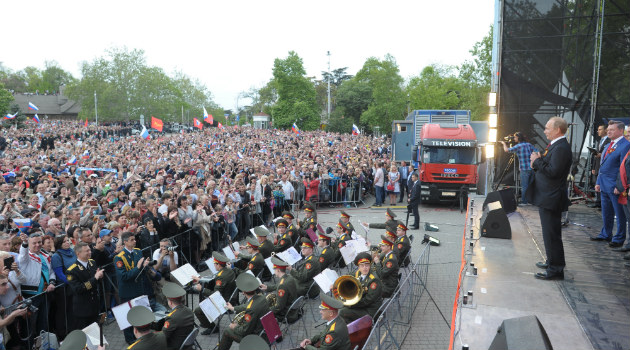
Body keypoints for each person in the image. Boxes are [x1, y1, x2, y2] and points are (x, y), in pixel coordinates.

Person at [526, 116, 573, 280]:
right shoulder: (556, 146)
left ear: (557, 129)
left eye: (547, 128)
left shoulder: (561, 148)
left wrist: (537, 161)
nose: (545, 131)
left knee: (552, 234)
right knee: (549, 234)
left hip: (551, 197)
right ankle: (552, 261)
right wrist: (540, 159)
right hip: (547, 196)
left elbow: (554, 171)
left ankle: (555, 269)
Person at [114, 232, 164, 344]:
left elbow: (143, 270)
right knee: (128, 321)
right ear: (125, 242)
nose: (134, 241)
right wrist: (138, 267)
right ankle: (131, 342)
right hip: (128, 293)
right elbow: (124, 276)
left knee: (141, 317)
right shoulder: (119, 258)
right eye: (131, 240)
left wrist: (148, 269)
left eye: (134, 239)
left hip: (140, 291)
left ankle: (143, 339)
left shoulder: (138, 251)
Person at [592, 120, 630, 247]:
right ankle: (606, 234)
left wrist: (620, 186)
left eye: (612, 130)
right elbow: (602, 165)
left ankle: (619, 238)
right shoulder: (609, 145)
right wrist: (598, 182)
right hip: (604, 183)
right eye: (608, 129)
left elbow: (623, 167)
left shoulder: (625, 145)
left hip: (615, 185)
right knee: (606, 211)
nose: (608, 131)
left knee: (619, 214)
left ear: (620, 131)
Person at [18, 232, 56, 338]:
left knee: (43, 322)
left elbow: (51, 271)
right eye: (34, 243)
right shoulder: (26, 257)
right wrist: (24, 243)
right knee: (30, 326)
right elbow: (23, 255)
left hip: (45, 294)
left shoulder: (45, 254)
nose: (37, 245)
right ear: (29, 244)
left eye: (39, 242)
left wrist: (52, 282)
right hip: (31, 296)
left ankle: (42, 345)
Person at [219, 273, 270, 350]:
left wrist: (234, 327)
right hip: (264, 330)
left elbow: (245, 331)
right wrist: (233, 308)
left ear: (243, 292)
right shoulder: (262, 297)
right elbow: (247, 306)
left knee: (227, 331)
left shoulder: (251, 309)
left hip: (255, 336)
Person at [192, 252, 236, 335]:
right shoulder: (228, 271)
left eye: (214, 264)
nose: (214, 266)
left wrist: (202, 289)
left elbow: (215, 294)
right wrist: (200, 279)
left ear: (218, 265)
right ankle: (206, 319)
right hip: (230, 297)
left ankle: (211, 327)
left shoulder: (221, 276)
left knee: (197, 310)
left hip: (224, 301)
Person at [66, 241, 104, 330]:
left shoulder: (92, 263)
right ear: (78, 253)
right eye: (86, 251)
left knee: (96, 332)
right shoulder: (72, 270)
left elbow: (97, 281)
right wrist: (95, 278)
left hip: (94, 305)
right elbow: (78, 289)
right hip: (82, 308)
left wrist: (100, 277)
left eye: (89, 250)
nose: (90, 252)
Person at [339, 252, 383, 324]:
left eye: (367, 265)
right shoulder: (357, 273)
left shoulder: (374, 280)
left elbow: (367, 300)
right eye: (362, 265)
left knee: (343, 311)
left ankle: (351, 331)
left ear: (370, 265)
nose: (364, 268)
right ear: (358, 267)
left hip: (370, 310)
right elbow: (347, 277)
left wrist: (351, 304)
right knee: (343, 307)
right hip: (362, 305)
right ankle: (349, 328)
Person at [501, 132, 537, 205]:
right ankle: (531, 201)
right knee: (531, 186)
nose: (514, 139)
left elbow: (507, 150)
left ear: (518, 138)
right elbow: (537, 152)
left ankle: (524, 202)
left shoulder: (518, 146)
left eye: (515, 137)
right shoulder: (529, 144)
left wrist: (503, 144)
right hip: (532, 168)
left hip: (524, 169)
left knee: (524, 186)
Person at [260, 256, 298, 323]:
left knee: (262, 313)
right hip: (292, 305)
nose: (274, 271)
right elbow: (278, 285)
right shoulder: (289, 277)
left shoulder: (282, 285)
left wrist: (266, 310)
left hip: (287, 312)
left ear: (278, 270)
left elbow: (279, 307)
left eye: (274, 269)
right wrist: (267, 287)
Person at [161, 282, 195, 350]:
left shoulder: (172, 317)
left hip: (175, 346)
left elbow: (163, 337)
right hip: (186, 343)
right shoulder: (189, 311)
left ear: (170, 302)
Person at [588, 124, 610, 208]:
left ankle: (601, 203)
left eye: (600, 129)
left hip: (604, 166)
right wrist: (593, 167)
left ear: (605, 130)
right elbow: (595, 155)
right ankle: (597, 202)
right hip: (597, 166)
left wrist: (602, 155)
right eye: (598, 129)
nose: (598, 131)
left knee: (602, 185)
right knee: (596, 184)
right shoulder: (599, 141)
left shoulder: (609, 141)